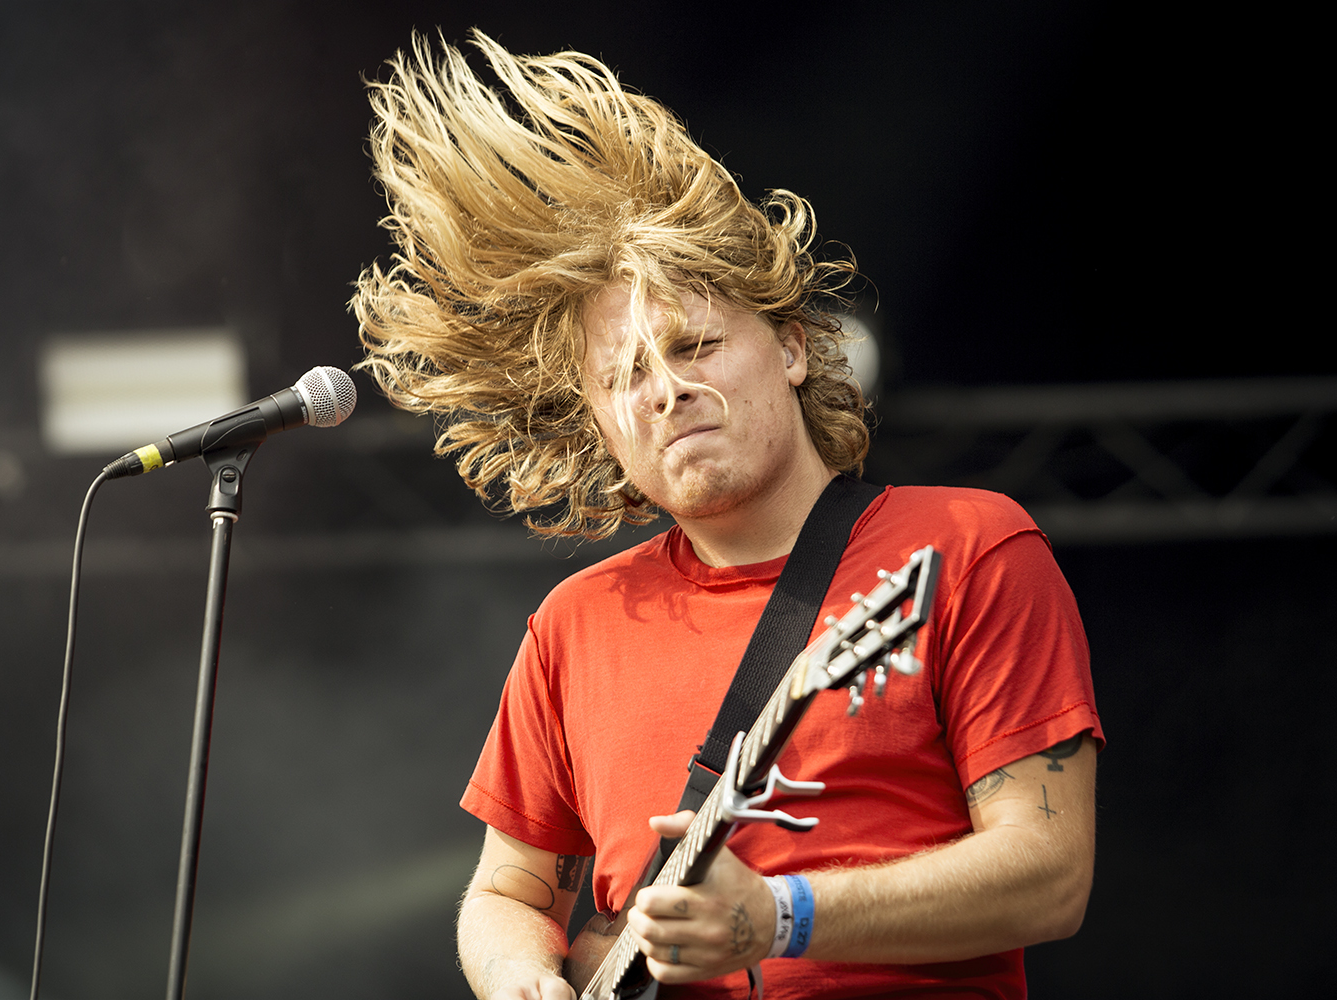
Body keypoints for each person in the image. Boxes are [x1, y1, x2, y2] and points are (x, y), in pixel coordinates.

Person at [353, 31, 1101, 1000]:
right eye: (624, 375)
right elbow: (508, 890)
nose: (668, 390)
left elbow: (1051, 875)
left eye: (696, 344)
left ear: (793, 347)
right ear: (602, 425)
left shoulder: (964, 544)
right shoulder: (575, 624)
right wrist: (518, 977)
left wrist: (783, 916)